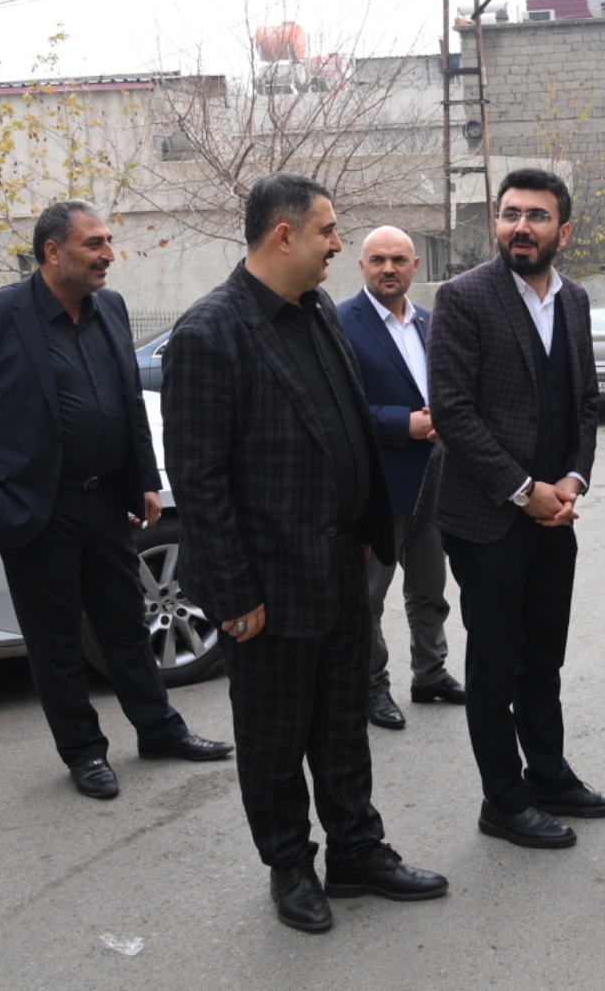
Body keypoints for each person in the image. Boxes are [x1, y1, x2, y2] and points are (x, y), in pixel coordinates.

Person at [162, 173, 447, 933]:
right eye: (327, 230)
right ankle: (290, 866)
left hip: (342, 567)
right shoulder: (209, 333)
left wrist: (367, 530)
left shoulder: (317, 310)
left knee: (342, 726)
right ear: (283, 235)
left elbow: (347, 427)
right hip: (269, 589)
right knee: (274, 739)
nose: (337, 245)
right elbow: (200, 482)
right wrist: (234, 596)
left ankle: (357, 851)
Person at [0, 200, 231, 801]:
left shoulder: (111, 306)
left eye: (107, 241)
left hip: (106, 503)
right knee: (55, 643)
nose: (109, 254)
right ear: (53, 252)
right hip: (34, 510)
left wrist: (146, 480)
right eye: (95, 244)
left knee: (125, 626)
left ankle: (159, 730)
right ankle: (83, 752)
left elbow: (128, 400)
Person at [418, 166, 605, 850]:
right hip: (485, 517)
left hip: (554, 511)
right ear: (497, 224)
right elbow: (452, 411)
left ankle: (549, 775)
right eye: (511, 215)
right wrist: (523, 489)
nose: (521, 227)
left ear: (564, 231)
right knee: (495, 662)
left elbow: (585, 403)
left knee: (543, 655)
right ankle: (503, 801)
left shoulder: (573, 299)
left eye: (537, 216)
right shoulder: (464, 297)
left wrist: (572, 480)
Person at [337, 226, 463, 731]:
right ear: (362, 266)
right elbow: (337, 409)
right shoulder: (341, 323)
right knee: (368, 598)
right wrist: (400, 423)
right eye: (377, 260)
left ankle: (430, 673)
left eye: (398, 260)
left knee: (430, 590)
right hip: (377, 487)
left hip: (434, 482)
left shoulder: (432, 321)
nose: (388, 269)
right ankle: (372, 687)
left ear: (415, 265)